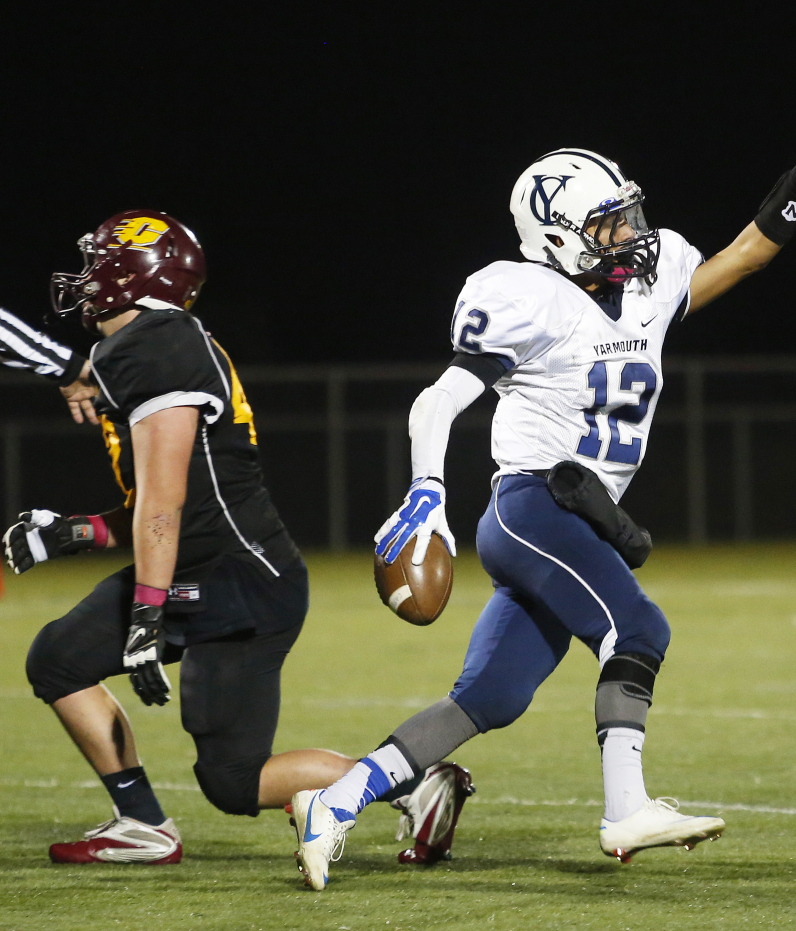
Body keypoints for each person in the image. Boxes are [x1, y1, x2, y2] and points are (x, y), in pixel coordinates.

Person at [288, 108, 796, 890]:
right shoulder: (525, 296)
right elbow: (436, 401)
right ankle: (624, 808)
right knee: (638, 626)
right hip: (529, 506)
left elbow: (743, 257)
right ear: (556, 236)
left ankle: (335, 799)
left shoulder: (649, 280)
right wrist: (426, 490)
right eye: (607, 224)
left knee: (488, 697)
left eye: (627, 213)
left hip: (574, 512)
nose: (630, 232)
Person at [2, 211, 472, 866]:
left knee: (232, 779)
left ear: (132, 274)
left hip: (238, 583)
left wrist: (146, 611)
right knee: (58, 657)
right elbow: (162, 505)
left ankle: (411, 782)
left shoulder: (157, 343)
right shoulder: (144, 348)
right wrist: (73, 531)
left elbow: (165, 505)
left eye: (97, 260)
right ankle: (142, 823)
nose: (84, 277)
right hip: (202, 566)